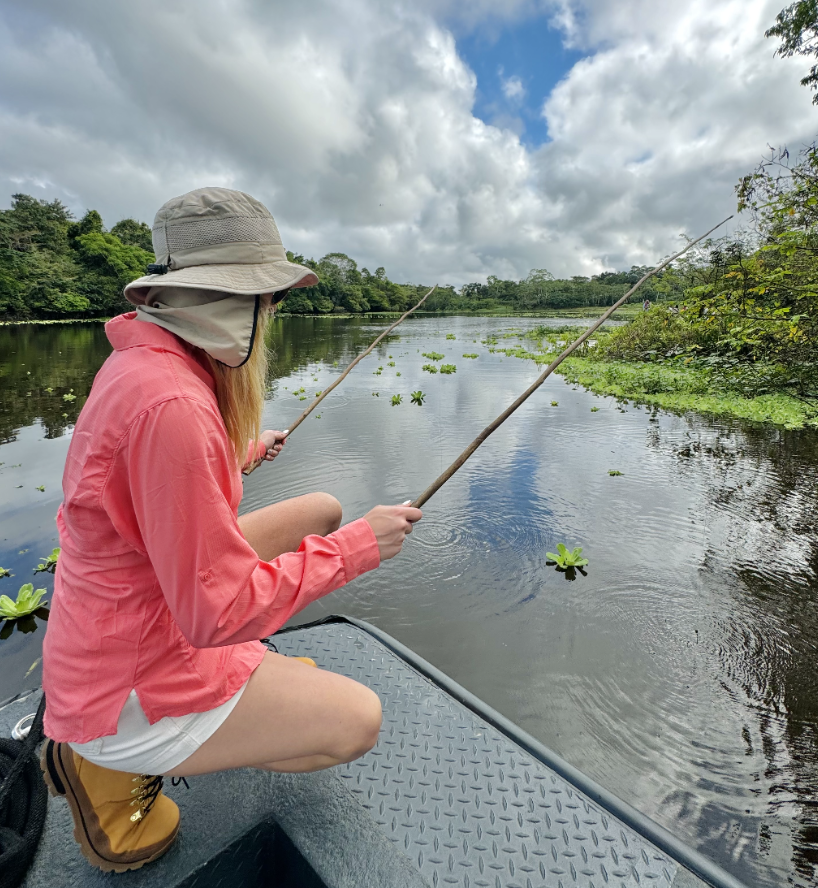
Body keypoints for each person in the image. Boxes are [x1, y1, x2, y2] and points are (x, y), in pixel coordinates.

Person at [39, 187, 422, 873]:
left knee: (320, 510)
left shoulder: (146, 365)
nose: (271, 311)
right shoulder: (172, 407)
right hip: (134, 680)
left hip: (134, 608)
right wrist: (361, 548)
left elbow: (144, 487)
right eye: (267, 297)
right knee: (356, 721)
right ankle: (105, 764)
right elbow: (215, 613)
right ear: (230, 299)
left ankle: (254, 696)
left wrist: (241, 448)